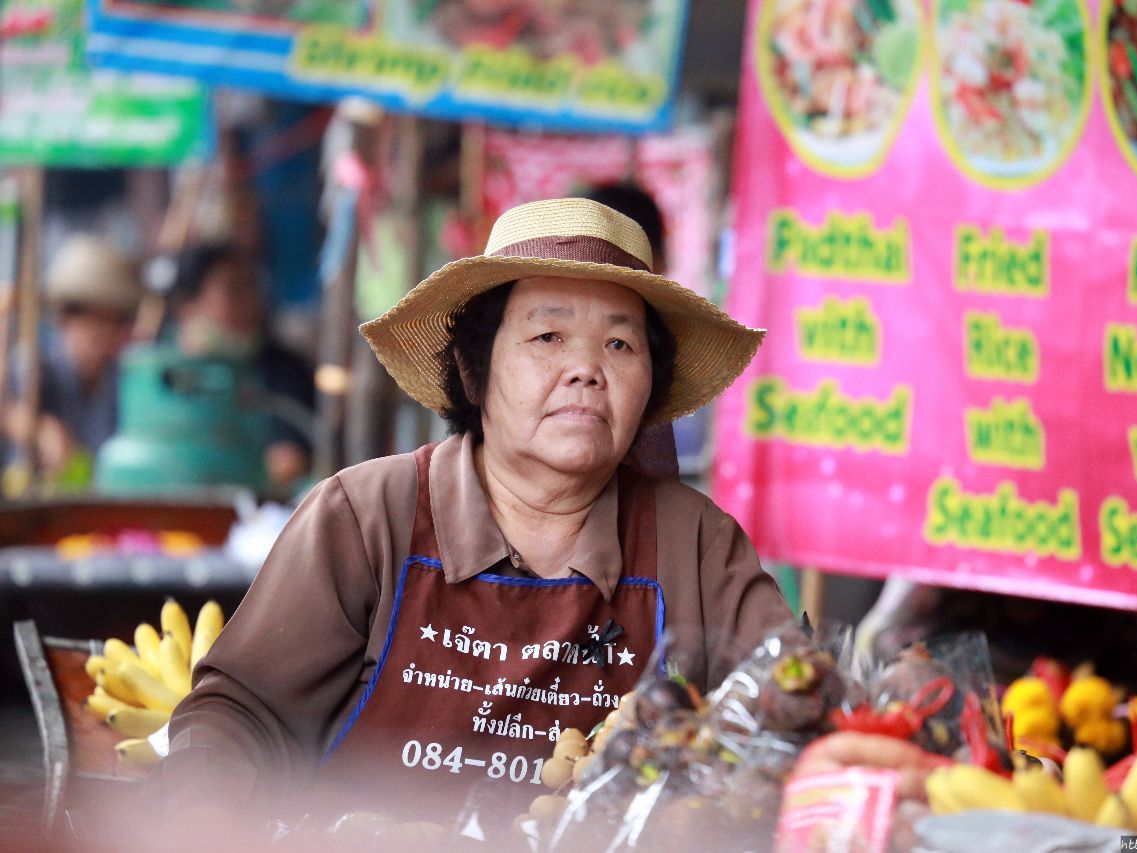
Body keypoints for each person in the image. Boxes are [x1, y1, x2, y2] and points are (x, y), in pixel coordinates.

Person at [155, 198, 793, 832]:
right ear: (474, 368)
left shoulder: (696, 545)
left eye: (621, 344)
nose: (587, 370)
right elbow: (239, 716)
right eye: (548, 336)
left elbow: (789, 716)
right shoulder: (366, 516)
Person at [167, 242, 315, 493]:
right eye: (233, 290)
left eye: (252, 287)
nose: (249, 301)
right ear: (188, 306)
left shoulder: (283, 368)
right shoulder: (160, 370)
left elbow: (289, 462)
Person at [3, 235, 142, 486]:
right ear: (64, 319)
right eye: (87, 317)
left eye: (108, 319)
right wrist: (37, 428)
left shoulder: (125, 381)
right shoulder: (35, 369)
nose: (97, 331)